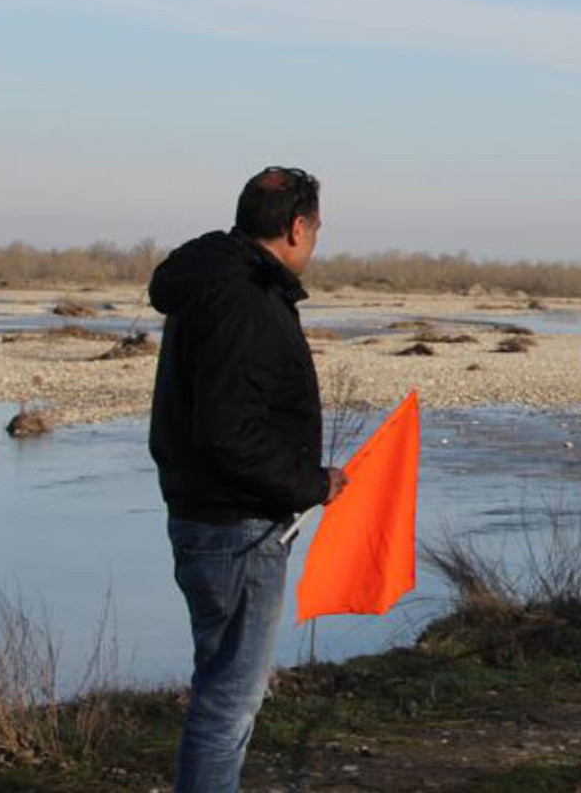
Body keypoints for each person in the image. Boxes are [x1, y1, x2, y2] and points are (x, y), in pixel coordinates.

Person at [149, 166, 346, 793]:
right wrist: (310, 484)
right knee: (230, 699)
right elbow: (228, 431)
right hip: (237, 528)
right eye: (315, 230)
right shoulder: (244, 299)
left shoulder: (217, 282)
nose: (314, 243)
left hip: (213, 519)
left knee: (223, 686)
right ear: (295, 228)